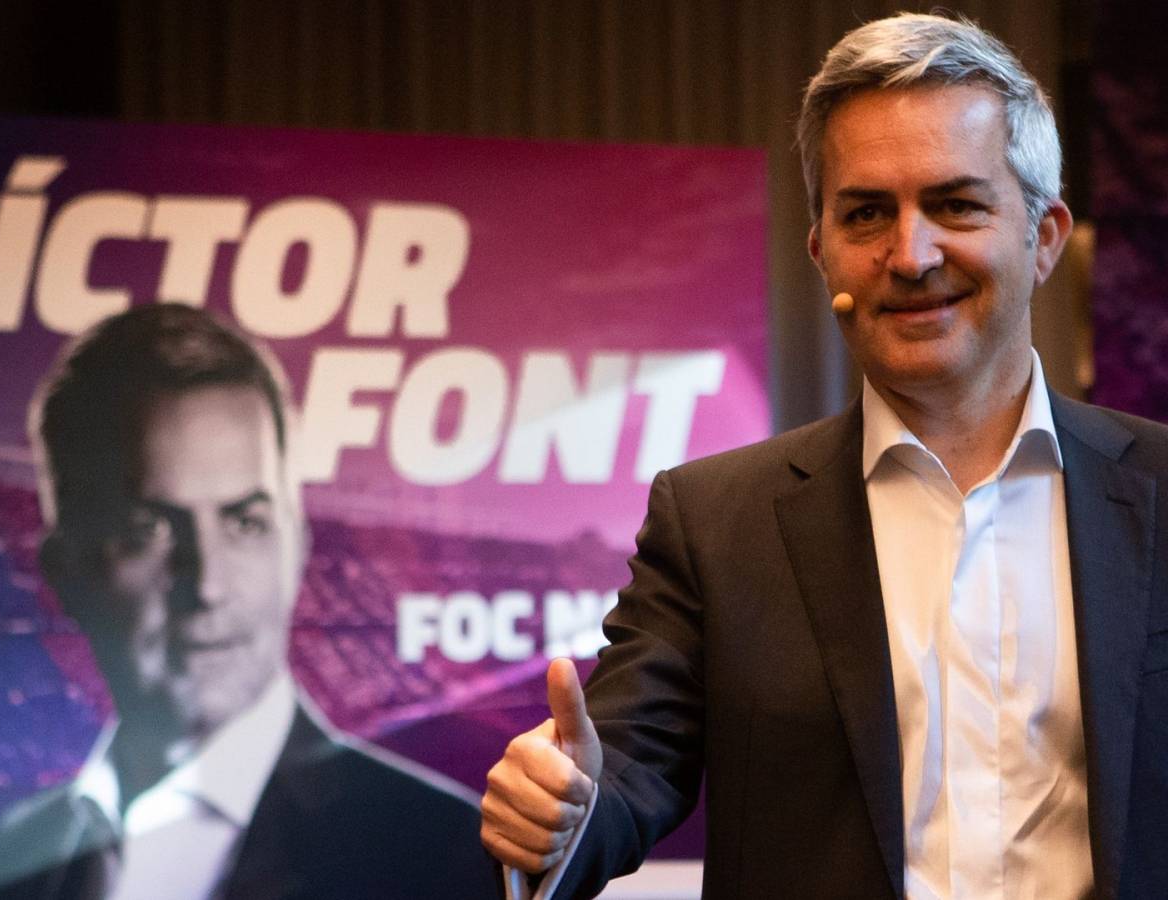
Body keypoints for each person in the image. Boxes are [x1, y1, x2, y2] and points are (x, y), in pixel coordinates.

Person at [480, 12, 1168, 900]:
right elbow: (619, 771)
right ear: (822, 252)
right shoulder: (716, 524)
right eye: (867, 213)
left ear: (1043, 238)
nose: (910, 255)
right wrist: (560, 811)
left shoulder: (1158, 490)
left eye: (956, 205)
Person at [0, 303, 497, 899]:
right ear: (63, 569)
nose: (207, 585)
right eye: (149, 530)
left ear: (298, 542)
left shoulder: (438, 849)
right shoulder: (20, 850)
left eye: (245, 523)